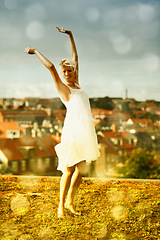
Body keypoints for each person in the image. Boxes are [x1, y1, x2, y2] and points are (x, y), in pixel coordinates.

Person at [25, 27, 100, 218]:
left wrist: (70, 35)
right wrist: (35, 52)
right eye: (64, 72)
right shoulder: (63, 88)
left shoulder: (77, 84)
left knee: (81, 170)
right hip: (73, 132)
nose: (67, 74)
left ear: (74, 71)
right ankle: (60, 206)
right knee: (68, 170)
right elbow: (50, 67)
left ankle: (70, 202)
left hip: (86, 131)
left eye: (69, 71)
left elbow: (75, 56)